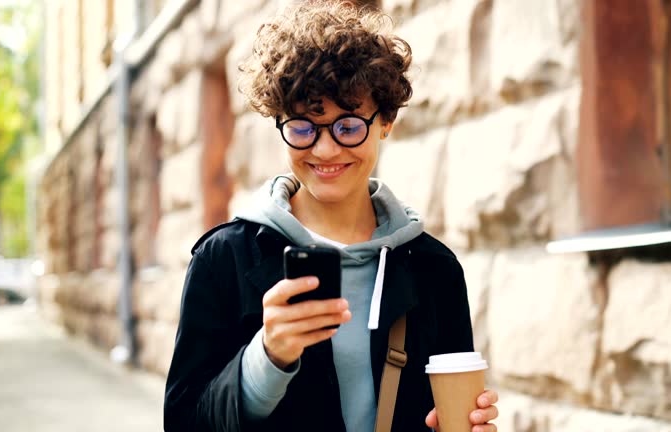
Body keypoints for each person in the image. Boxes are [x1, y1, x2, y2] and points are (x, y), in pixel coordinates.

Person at [163, 1, 499, 431]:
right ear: (278, 121)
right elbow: (185, 421)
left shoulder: (434, 268)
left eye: (348, 126)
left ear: (386, 121)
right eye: (303, 127)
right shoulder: (224, 259)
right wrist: (266, 358)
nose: (325, 149)